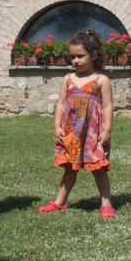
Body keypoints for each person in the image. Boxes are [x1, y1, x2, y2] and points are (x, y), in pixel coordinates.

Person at [38, 29, 116, 220]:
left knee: (98, 169)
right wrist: (57, 126)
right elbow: (62, 103)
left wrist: (107, 131)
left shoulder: (101, 80)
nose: (76, 61)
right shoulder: (68, 79)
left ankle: (106, 203)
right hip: (72, 131)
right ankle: (59, 202)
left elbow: (107, 106)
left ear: (94, 55)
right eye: (72, 57)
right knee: (70, 168)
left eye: (80, 56)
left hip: (92, 133)